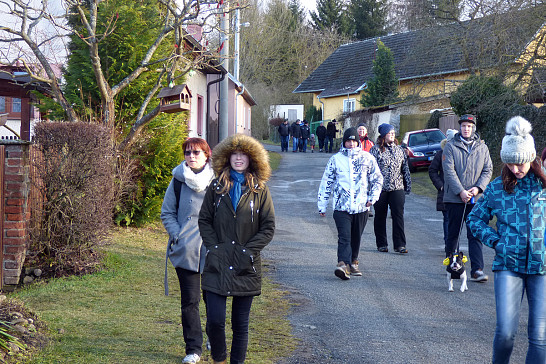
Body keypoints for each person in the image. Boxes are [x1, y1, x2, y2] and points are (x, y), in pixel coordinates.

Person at [467, 116, 546, 364]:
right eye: (510, 163)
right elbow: (474, 220)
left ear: (531, 159)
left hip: (542, 268)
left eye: (520, 163)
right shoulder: (497, 188)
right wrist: (497, 242)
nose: (515, 169)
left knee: (540, 336)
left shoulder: (543, 188)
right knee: (505, 333)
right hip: (508, 266)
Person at [198, 134, 275, 364]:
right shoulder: (216, 187)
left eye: (243, 155)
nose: (239, 158)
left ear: (252, 159)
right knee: (215, 320)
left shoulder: (260, 190)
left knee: (240, 324)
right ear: (227, 157)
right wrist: (214, 247)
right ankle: (219, 359)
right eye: (235, 154)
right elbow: (205, 220)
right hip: (217, 262)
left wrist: (248, 252)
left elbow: (268, 226)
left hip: (245, 265)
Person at [161, 138, 215, 364]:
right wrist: (178, 235)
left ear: (206, 155)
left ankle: (215, 338)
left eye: (196, 152)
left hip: (213, 250)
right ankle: (193, 349)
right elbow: (167, 212)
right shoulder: (177, 180)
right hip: (187, 250)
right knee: (190, 301)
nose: (191, 156)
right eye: (187, 152)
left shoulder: (218, 180)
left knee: (213, 299)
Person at [318, 127, 383, 280]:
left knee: (356, 236)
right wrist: (322, 204)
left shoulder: (367, 158)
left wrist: (372, 198)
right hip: (342, 206)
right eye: (348, 141)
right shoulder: (335, 159)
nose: (351, 144)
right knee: (344, 236)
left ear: (358, 142)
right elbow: (326, 182)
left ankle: (353, 262)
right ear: (344, 142)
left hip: (362, 206)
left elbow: (377, 179)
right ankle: (342, 264)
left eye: (354, 141)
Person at [443, 114, 493, 282]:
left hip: (475, 199)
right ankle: (452, 267)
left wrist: (478, 188)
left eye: (469, 126)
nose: (466, 129)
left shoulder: (482, 148)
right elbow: (448, 171)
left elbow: (488, 170)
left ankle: (477, 269)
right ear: (460, 128)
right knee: (454, 234)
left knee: (475, 234)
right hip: (455, 198)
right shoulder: (450, 146)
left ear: (474, 128)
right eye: (464, 126)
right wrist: (461, 191)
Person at [370, 123, 411, 254]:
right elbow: (370, 170)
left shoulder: (399, 150)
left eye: (393, 133)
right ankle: (381, 244)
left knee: (398, 216)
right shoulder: (375, 150)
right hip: (380, 189)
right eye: (389, 133)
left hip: (397, 187)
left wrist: (407, 186)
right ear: (383, 135)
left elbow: (405, 169)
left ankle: (400, 245)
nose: (392, 135)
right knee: (380, 216)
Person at [428, 129, 457, 247]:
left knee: (457, 220)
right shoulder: (440, 154)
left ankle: (455, 244)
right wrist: (440, 185)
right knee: (447, 219)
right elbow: (432, 170)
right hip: (445, 192)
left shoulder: (461, 153)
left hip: (459, 192)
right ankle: (448, 244)